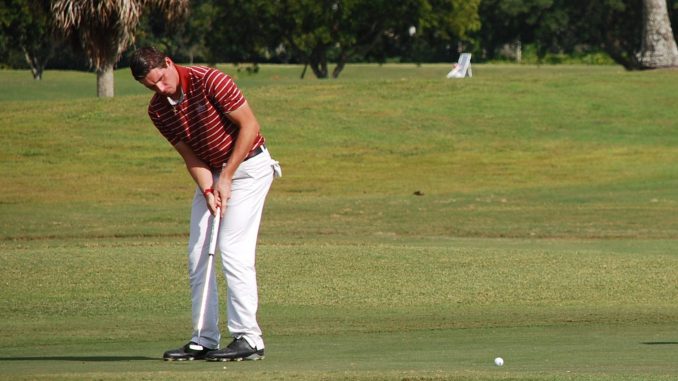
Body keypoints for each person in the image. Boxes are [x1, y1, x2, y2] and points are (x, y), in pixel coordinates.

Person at [129, 47, 281, 362]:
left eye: (161, 80)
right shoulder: (158, 110)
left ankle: (249, 338)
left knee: (232, 248)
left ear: (168, 63)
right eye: (150, 87)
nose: (160, 89)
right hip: (212, 173)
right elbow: (190, 156)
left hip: (250, 168)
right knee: (198, 253)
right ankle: (205, 338)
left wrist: (226, 177)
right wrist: (209, 188)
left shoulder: (210, 80)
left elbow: (250, 126)